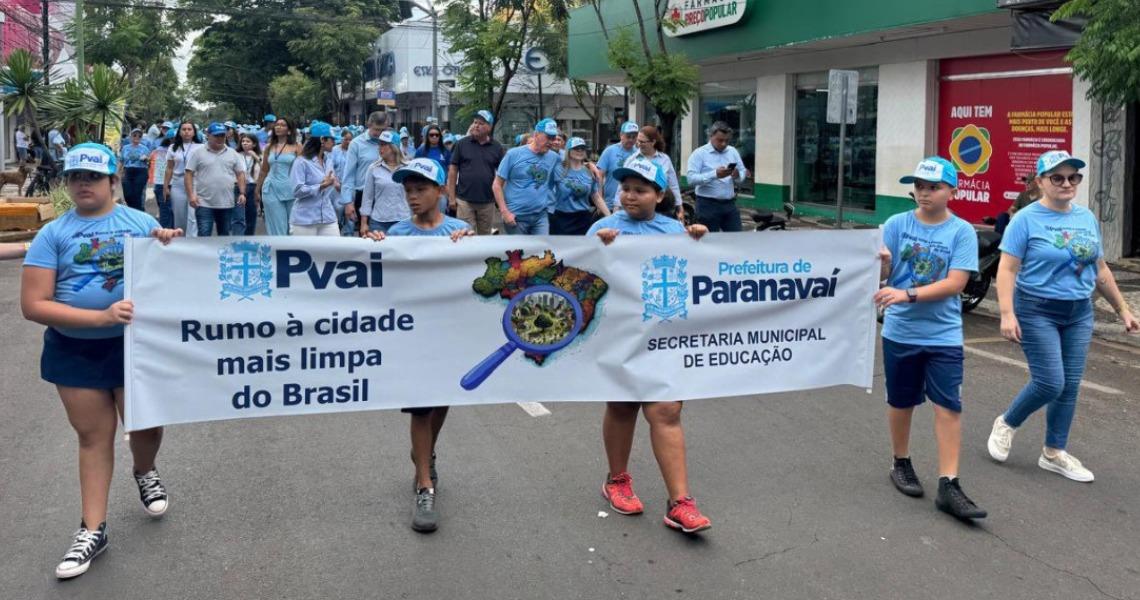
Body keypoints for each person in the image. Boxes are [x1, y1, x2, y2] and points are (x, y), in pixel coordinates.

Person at [20, 142, 182, 579]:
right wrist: (100, 316)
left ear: (114, 181)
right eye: (76, 177)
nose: (83, 184)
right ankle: (93, 529)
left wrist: (167, 243)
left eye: (93, 177)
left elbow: (176, 275)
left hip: (138, 346)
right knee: (94, 437)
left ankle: (144, 470)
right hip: (75, 348)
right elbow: (34, 304)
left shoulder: (142, 222)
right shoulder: (52, 234)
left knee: (144, 425)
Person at [987, 150, 1139, 482]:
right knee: (1050, 381)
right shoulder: (1025, 219)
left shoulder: (1086, 218)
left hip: (1078, 312)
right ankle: (1007, 422)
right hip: (1036, 308)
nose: (1067, 183)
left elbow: (1099, 269)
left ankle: (1054, 452)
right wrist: (1007, 313)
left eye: (1073, 177)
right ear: (1040, 182)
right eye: (1057, 177)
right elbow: (1007, 270)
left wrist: (1122, 309)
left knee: (1069, 386)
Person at [585, 159, 711, 534]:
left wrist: (702, 244)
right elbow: (577, 274)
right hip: (619, 333)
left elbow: (703, 276)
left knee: (667, 410)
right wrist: (598, 249)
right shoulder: (603, 227)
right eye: (624, 189)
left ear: (659, 195)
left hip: (664, 335)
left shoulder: (676, 230)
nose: (629, 196)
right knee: (622, 406)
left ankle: (680, 502)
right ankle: (617, 480)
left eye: (640, 190)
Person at [874, 157, 987, 520]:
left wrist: (907, 294)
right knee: (901, 400)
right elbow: (882, 274)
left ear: (952, 191)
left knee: (948, 405)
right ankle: (901, 461)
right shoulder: (896, 224)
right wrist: (884, 264)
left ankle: (949, 483)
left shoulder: (961, 232)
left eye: (934, 187)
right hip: (901, 332)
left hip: (943, 334)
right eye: (920, 186)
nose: (924, 193)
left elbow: (956, 283)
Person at [364, 157, 473, 533]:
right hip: (412, 337)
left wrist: (470, 246)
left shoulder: (461, 231)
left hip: (449, 333)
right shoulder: (394, 233)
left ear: (441, 191)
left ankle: (424, 454)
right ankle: (424, 484)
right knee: (421, 409)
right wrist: (375, 247)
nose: (413, 197)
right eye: (408, 191)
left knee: (441, 401)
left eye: (421, 189)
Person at [493, 118, 561, 235]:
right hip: (516, 217)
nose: (551, 141)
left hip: (541, 217)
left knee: (541, 252)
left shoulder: (554, 157)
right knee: (519, 252)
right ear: (536, 134)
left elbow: (571, 165)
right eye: (548, 137)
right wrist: (504, 212)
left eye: (553, 138)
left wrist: (589, 165)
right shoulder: (513, 154)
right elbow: (497, 185)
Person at [447, 110, 505, 235]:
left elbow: (502, 175)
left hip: (487, 202)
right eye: (474, 122)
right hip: (464, 201)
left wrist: (501, 202)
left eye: (481, 123)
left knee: (485, 238)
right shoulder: (462, 144)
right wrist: (451, 198)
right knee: (466, 238)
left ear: (489, 127)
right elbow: (452, 171)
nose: (476, 125)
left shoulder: (497, 147)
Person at [685, 121, 751, 232]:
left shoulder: (732, 151)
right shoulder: (699, 153)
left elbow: (742, 171)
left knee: (736, 238)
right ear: (711, 136)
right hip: (707, 204)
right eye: (720, 140)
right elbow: (691, 179)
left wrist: (738, 175)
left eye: (727, 140)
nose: (724, 144)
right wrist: (714, 174)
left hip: (729, 204)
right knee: (709, 241)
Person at [184, 122, 247, 237]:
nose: (220, 138)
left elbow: (240, 173)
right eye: (216, 135)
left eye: (222, 135)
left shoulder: (233, 153)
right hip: (203, 203)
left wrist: (242, 193)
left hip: (226, 203)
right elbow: (188, 173)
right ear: (208, 135)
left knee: (224, 236)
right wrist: (191, 196)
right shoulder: (198, 153)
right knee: (204, 235)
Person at [339, 111, 390, 234]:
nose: (379, 134)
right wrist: (348, 202)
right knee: (365, 240)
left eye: (382, 130)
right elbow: (348, 175)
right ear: (369, 125)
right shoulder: (356, 144)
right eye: (376, 129)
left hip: (385, 196)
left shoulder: (391, 142)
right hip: (363, 196)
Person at [618, 126, 684, 221]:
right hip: (640, 208)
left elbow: (673, 184)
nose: (639, 144)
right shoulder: (632, 160)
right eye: (638, 141)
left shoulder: (665, 159)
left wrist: (679, 206)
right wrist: (618, 207)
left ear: (653, 142)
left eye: (642, 142)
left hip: (663, 208)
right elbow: (621, 185)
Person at [289, 122, 341, 236]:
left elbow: (331, 182)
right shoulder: (301, 162)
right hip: (305, 220)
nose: (335, 142)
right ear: (322, 139)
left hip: (327, 216)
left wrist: (336, 184)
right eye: (332, 139)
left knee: (335, 249)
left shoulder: (328, 161)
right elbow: (296, 191)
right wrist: (321, 186)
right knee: (305, 252)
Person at [550, 137, 609, 235]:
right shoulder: (557, 169)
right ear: (568, 151)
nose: (580, 151)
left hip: (583, 219)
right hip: (561, 219)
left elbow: (596, 196)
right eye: (576, 148)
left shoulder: (589, 172)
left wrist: (609, 217)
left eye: (582, 148)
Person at [256, 118, 302, 236]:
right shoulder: (268, 147)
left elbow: (302, 170)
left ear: (289, 130)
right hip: (271, 189)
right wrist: (257, 190)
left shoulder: (297, 147)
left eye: (283, 125)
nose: (278, 127)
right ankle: (276, 252)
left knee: (293, 228)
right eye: (277, 125)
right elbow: (264, 170)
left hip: (291, 189)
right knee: (277, 228)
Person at [358, 130, 409, 235]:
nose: (379, 147)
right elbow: (367, 197)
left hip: (404, 221)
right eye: (379, 144)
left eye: (383, 144)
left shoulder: (408, 167)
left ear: (393, 147)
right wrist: (363, 223)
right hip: (379, 222)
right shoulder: (373, 168)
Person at [164, 122, 202, 237]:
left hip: (195, 183)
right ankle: (180, 241)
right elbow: (169, 168)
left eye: (189, 129)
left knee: (193, 216)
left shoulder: (200, 147)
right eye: (184, 129)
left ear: (194, 132)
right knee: (179, 216)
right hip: (178, 183)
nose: (186, 131)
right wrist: (165, 186)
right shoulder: (173, 148)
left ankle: (192, 243)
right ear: (179, 132)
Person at [597, 122, 639, 208]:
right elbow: (599, 175)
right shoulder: (609, 151)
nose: (631, 139)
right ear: (621, 135)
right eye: (628, 136)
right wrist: (599, 199)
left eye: (634, 137)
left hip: (632, 204)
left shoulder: (639, 154)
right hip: (610, 204)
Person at [231, 134, 262, 236]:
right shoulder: (236, 154)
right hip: (238, 187)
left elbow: (265, 168)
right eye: (243, 141)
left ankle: (249, 239)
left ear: (254, 144)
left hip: (253, 187)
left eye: (248, 141)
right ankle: (237, 239)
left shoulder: (259, 156)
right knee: (238, 216)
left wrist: (255, 156)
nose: (244, 143)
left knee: (251, 216)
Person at [119, 129, 150, 212]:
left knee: (137, 194)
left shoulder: (145, 149)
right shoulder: (125, 148)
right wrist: (119, 174)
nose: (137, 137)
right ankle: (131, 211)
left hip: (140, 171)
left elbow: (149, 162)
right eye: (134, 135)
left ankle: (138, 213)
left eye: (139, 136)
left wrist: (146, 159)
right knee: (127, 194)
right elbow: (121, 161)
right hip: (128, 170)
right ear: (131, 136)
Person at [149, 135, 173, 227]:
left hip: (161, 183)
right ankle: (166, 232)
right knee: (166, 210)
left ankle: (167, 230)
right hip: (164, 183)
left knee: (165, 209)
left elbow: (149, 159)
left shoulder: (157, 150)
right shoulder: (161, 150)